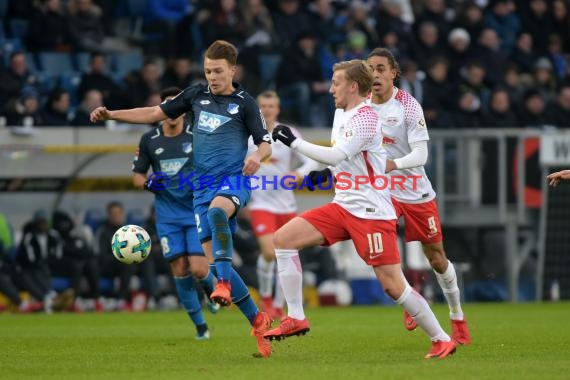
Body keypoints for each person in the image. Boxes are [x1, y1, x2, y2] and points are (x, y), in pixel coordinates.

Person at [90, 40, 273, 358]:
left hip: (233, 180)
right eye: (207, 70)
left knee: (219, 214)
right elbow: (153, 112)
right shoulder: (195, 95)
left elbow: (265, 143)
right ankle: (258, 321)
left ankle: (225, 286)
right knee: (213, 266)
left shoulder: (245, 104)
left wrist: (258, 156)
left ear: (232, 70)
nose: (212, 76)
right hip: (200, 190)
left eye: (218, 71)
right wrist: (112, 114)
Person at [264, 59, 457, 359]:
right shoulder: (341, 112)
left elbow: (339, 152)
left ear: (353, 86)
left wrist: (294, 144)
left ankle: (442, 338)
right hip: (343, 205)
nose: (330, 89)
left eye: (336, 83)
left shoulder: (366, 118)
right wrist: (327, 174)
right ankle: (296, 316)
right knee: (283, 239)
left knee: (393, 286)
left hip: (371, 211)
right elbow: (344, 157)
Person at [366, 47, 471, 345]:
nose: (375, 74)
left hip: (415, 191)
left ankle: (457, 317)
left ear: (393, 73)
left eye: (381, 68)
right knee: (383, 252)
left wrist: (393, 164)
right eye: (370, 68)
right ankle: (410, 299)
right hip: (381, 190)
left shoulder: (408, 107)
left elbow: (422, 153)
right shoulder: (360, 104)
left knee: (436, 258)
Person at [132, 86, 219, 340]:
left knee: (199, 269)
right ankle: (200, 326)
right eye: (167, 106)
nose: (172, 112)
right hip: (167, 215)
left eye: (176, 106)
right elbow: (137, 176)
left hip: (194, 211)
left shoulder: (197, 137)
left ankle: (209, 292)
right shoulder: (150, 139)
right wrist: (148, 184)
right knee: (180, 270)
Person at [248, 90, 319, 320]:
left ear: (277, 109)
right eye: (263, 105)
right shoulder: (248, 134)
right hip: (260, 203)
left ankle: (277, 305)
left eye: (271, 106)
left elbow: (313, 160)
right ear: (257, 108)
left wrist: (298, 173)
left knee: (286, 255)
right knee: (269, 252)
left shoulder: (286, 133)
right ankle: (266, 298)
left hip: (286, 204)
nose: (267, 109)